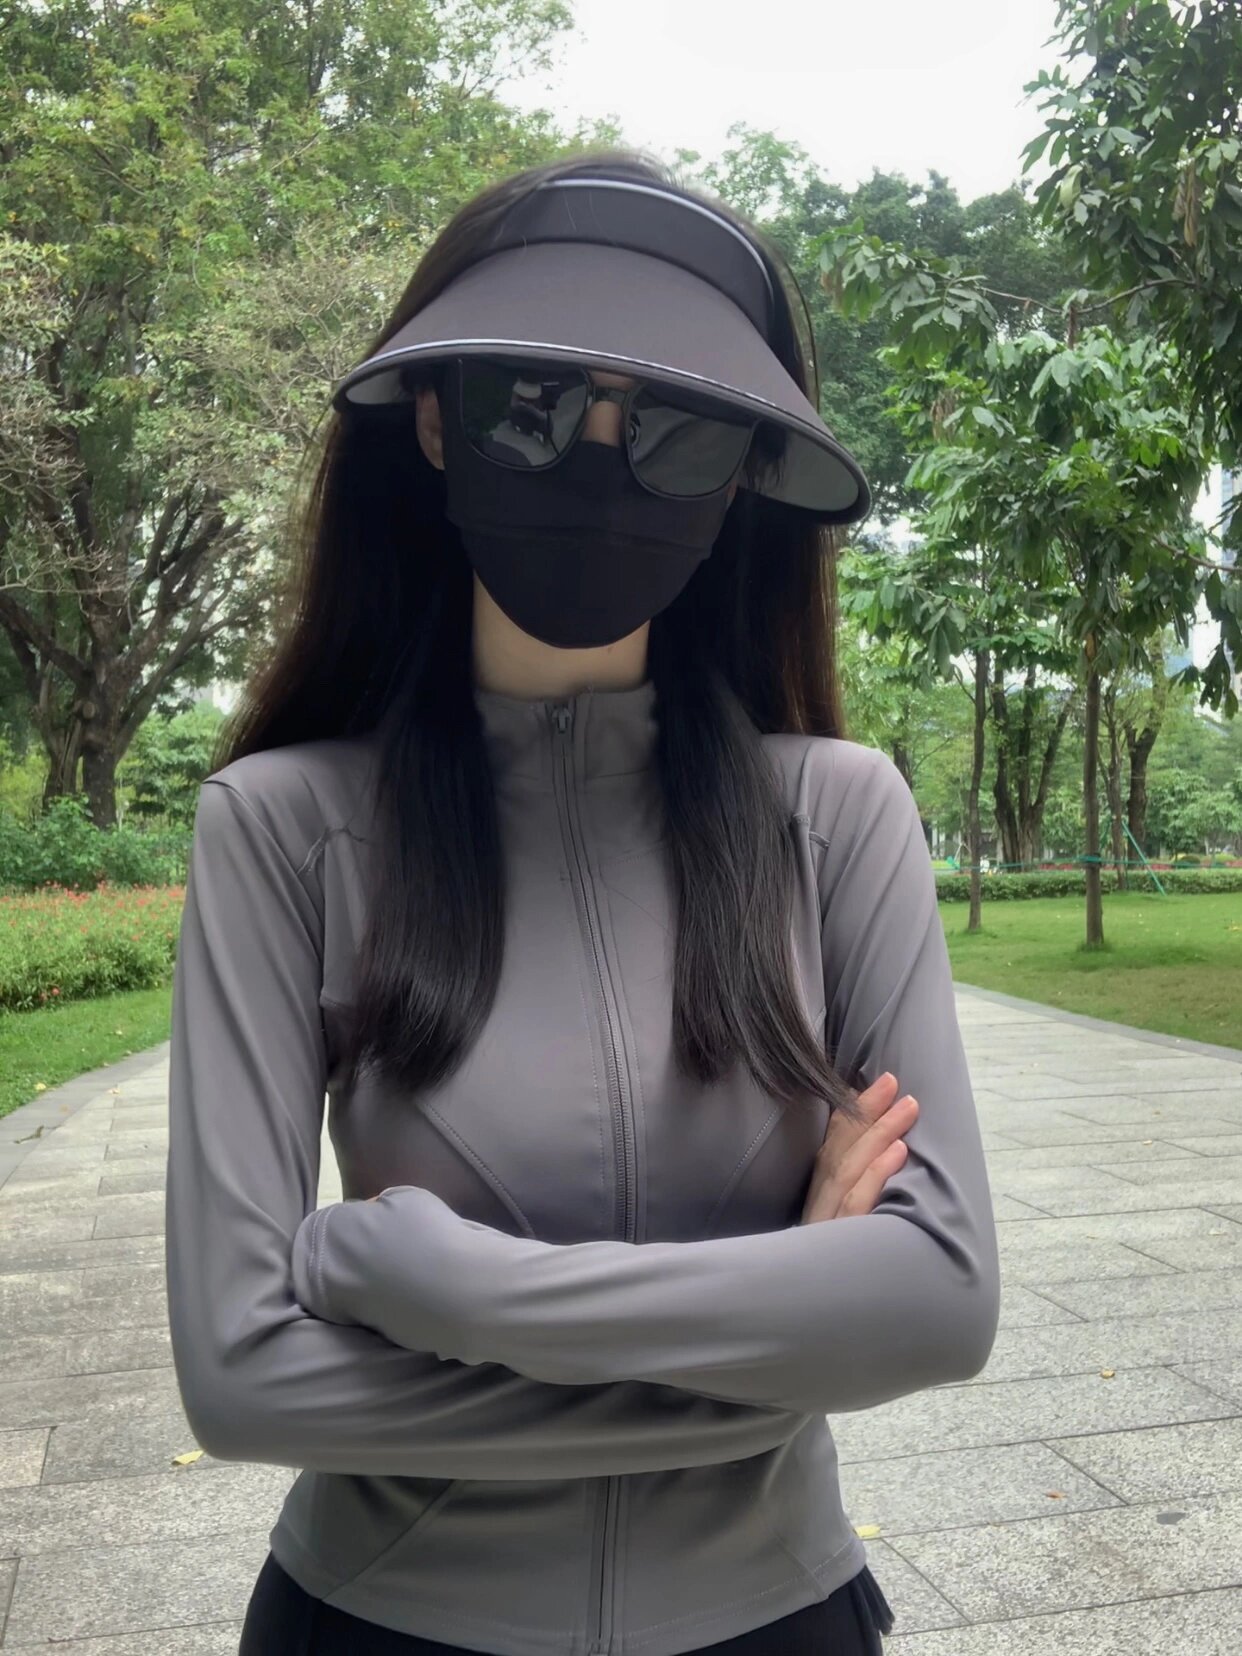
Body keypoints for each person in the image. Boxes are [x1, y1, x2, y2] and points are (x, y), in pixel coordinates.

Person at [164, 150, 1001, 1656]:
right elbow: (242, 1380)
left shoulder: (837, 813)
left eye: (674, 428)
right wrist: (780, 1347)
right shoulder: (284, 830)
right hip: (379, 1625)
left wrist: (439, 1283)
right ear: (436, 419)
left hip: (778, 1621)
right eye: (537, 407)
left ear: (740, 475)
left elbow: (939, 1301)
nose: (604, 463)